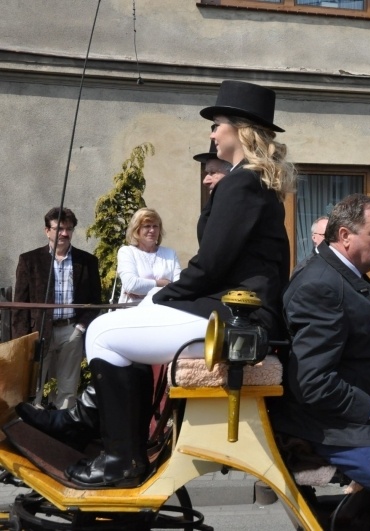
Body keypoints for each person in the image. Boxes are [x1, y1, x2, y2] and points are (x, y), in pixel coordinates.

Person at [16, 80, 295, 487]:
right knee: (118, 330)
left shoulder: (242, 183)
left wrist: (163, 295)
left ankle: (116, 455)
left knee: (102, 332)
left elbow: (210, 265)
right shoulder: (249, 183)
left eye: (216, 125)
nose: (212, 134)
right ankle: (91, 428)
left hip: (233, 321)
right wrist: (163, 298)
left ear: (240, 129)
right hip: (236, 316)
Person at [272, 194, 370, 531]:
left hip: (351, 415)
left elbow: (360, 347)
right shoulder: (322, 285)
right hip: (330, 426)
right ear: (345, 236)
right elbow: (313, 382)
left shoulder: (342, 274)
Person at [12, 207, 102, 409]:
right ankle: (31, 423)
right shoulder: (30, 260)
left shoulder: (87, 262)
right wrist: (23, 340)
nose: (64, 233)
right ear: (47, 231)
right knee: (32, 388)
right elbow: (20, 305)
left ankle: (62, 424)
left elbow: (95, 301)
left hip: (71, 331)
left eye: (69, 229)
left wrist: (80, 328)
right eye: (59, 228)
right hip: (39, 332)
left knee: (68, 389)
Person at [116, 208, 181, 303]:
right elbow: (131, 285)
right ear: (136, 229)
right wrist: (165, 283)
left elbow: (178, 288)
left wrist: (143, 291)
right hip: (133, 309)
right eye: (147, 226)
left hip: (164, 309)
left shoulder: (170, 254)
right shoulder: (127, 252)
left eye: (155, 226)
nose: (152, 230)